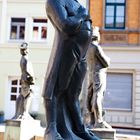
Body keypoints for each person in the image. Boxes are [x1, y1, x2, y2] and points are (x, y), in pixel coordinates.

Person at [43, 0, 100, 139]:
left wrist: (83, 17)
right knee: (54, 89)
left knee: (74, 93)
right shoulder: (55, 1)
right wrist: (82, 16)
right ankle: (51, 130)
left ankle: (79, 129)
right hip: (67, 49)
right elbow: (65, 25)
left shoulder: (76, 2)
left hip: (82, 53)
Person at [87, 27, 112, 129]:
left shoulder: (87, 47)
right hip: (99, 74)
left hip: (91, 74)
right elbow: (105, 63)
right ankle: (99, 121)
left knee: (90, 97)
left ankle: (92, 120)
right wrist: (109, 59)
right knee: (98, 96)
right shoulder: (96, 47)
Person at [12, 42, 35, 120]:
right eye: (23, 50)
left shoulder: (22, 58)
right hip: (27, 80)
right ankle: (25, 113)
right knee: (28, 95)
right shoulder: (26, 59)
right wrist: (32, 79)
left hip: (24, 79)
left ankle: (20, 113)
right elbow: (28, 71)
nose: (24, 51)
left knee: (22, 96)